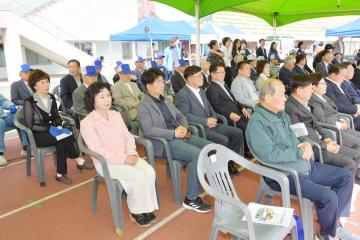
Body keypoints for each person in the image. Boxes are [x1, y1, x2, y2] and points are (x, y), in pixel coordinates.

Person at [246, 78, 355, 240]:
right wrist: (299, 152)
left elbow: (296, 136)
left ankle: (331, 225)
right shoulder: (257, 124)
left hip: (303, 165)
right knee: (329, 197)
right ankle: (329, 232)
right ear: (268, 98)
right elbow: (268, 155)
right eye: (282, 94)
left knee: (346, 177)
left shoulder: (280, 114)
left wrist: (307, 143)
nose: (285, 98)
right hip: (285, 174)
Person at [80, 81, 158, 227]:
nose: (107, 99)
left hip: (127, 155)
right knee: (138, 176)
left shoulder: (116, 115)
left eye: (108, 95)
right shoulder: (87, 122)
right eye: (101, 97)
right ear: (92, 100)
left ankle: (146, 207)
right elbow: (97, 149)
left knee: (149, 171)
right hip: (105, 163)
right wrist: (123, 158)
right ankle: (136, 211)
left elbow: (127, 136)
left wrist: (131, 153)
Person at [137, 68, 212, 213]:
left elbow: (181, 116)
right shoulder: (143, 106)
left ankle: (206, 181)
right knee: (197, 155)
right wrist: (173, 133)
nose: (162, 84)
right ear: (148, 86)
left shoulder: (165, 99)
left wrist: (183, 128)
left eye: (162, 81)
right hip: (164, 142)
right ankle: (191, 199)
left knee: (210, 147)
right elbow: (148, 130)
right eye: (158, 82)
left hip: (180, 135)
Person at [285, 74, 360, 181]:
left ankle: (349, 180)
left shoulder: (303, 103)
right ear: (300, 91)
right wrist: (325, 146)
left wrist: (327, 138)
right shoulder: (290, 109)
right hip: (315, 148)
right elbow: (302, 137)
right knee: (350, 163)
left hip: (322, 141)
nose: (312, 91)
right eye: (310, 88)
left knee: (357, 155)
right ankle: (343, 185)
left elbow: (316, 124)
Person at [24, 69, 92, 185]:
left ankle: (60, 174)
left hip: (54, 133)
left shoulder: (51, 98)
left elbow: (56, 116)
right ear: (34, 86)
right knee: (65, 136)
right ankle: (79, 160)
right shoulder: (29, 102)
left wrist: (60, 126)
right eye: (42, 83)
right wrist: (49, 129)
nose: (46, 85)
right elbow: (29, 125)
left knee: (62, 141)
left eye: (47, 82)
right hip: (39, 135)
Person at [175, 65, 244, 174]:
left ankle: (228, 162)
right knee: (223, 140)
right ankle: (219, 170)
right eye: (199, 76)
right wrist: (205, 122)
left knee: (237, 133)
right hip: (200, 128)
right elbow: (184, 115)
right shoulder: (182, 95)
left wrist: (214, 118)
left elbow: (210, 108)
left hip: (212, 125)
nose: (202, 78)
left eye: (202, 75)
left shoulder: (201, 91)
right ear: (189, 78)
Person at [310, 72, 360, 183]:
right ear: (313, 87)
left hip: (339, 125)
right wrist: (339, 124)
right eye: (323, 84)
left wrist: (343, 121)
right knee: (358, 144)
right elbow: (321, 120)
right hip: (333, 131)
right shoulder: (314, 100)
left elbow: (335, 111)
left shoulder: (324, 97)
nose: (326, 85)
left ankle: (356, 170)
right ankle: (352, 175)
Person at [325, 64, 360, 130]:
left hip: (353, 114)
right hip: (347, 118)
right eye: (343, 76)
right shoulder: (327, 86)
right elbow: (335, 105)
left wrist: (355, 108)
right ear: (333, 75)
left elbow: (348, 100)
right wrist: (355, 110)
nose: (344, 78)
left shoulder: (338, 83)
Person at [0, 93, 29, 166]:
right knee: (0, 122)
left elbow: (3, 101)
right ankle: (0, 154)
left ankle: (26, 148)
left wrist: (10, 105)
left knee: (20, 117)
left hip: (3, 115)